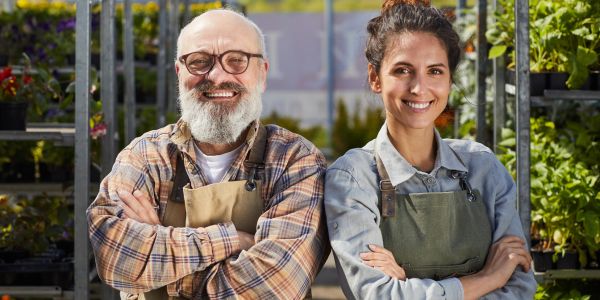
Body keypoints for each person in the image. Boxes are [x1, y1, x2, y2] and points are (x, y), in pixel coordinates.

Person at [87, 9, 328, 299]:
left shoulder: (295, 160)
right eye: (199, 62)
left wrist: (160, 263)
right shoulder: (145, 156)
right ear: (179, 73)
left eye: (236, 60)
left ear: (262, 73)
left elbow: (273, 286)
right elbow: (114, 258)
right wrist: (233, 240)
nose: (216, 76)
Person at [324, 0, 537, 299]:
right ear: (375, 78)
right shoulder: (353, 178)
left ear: (450, 79)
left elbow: (520, 287)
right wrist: (489, 277)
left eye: (435, 71)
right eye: (402, 70)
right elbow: (377, 294)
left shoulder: (483, 168)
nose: (418, 87)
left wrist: (409, 287)